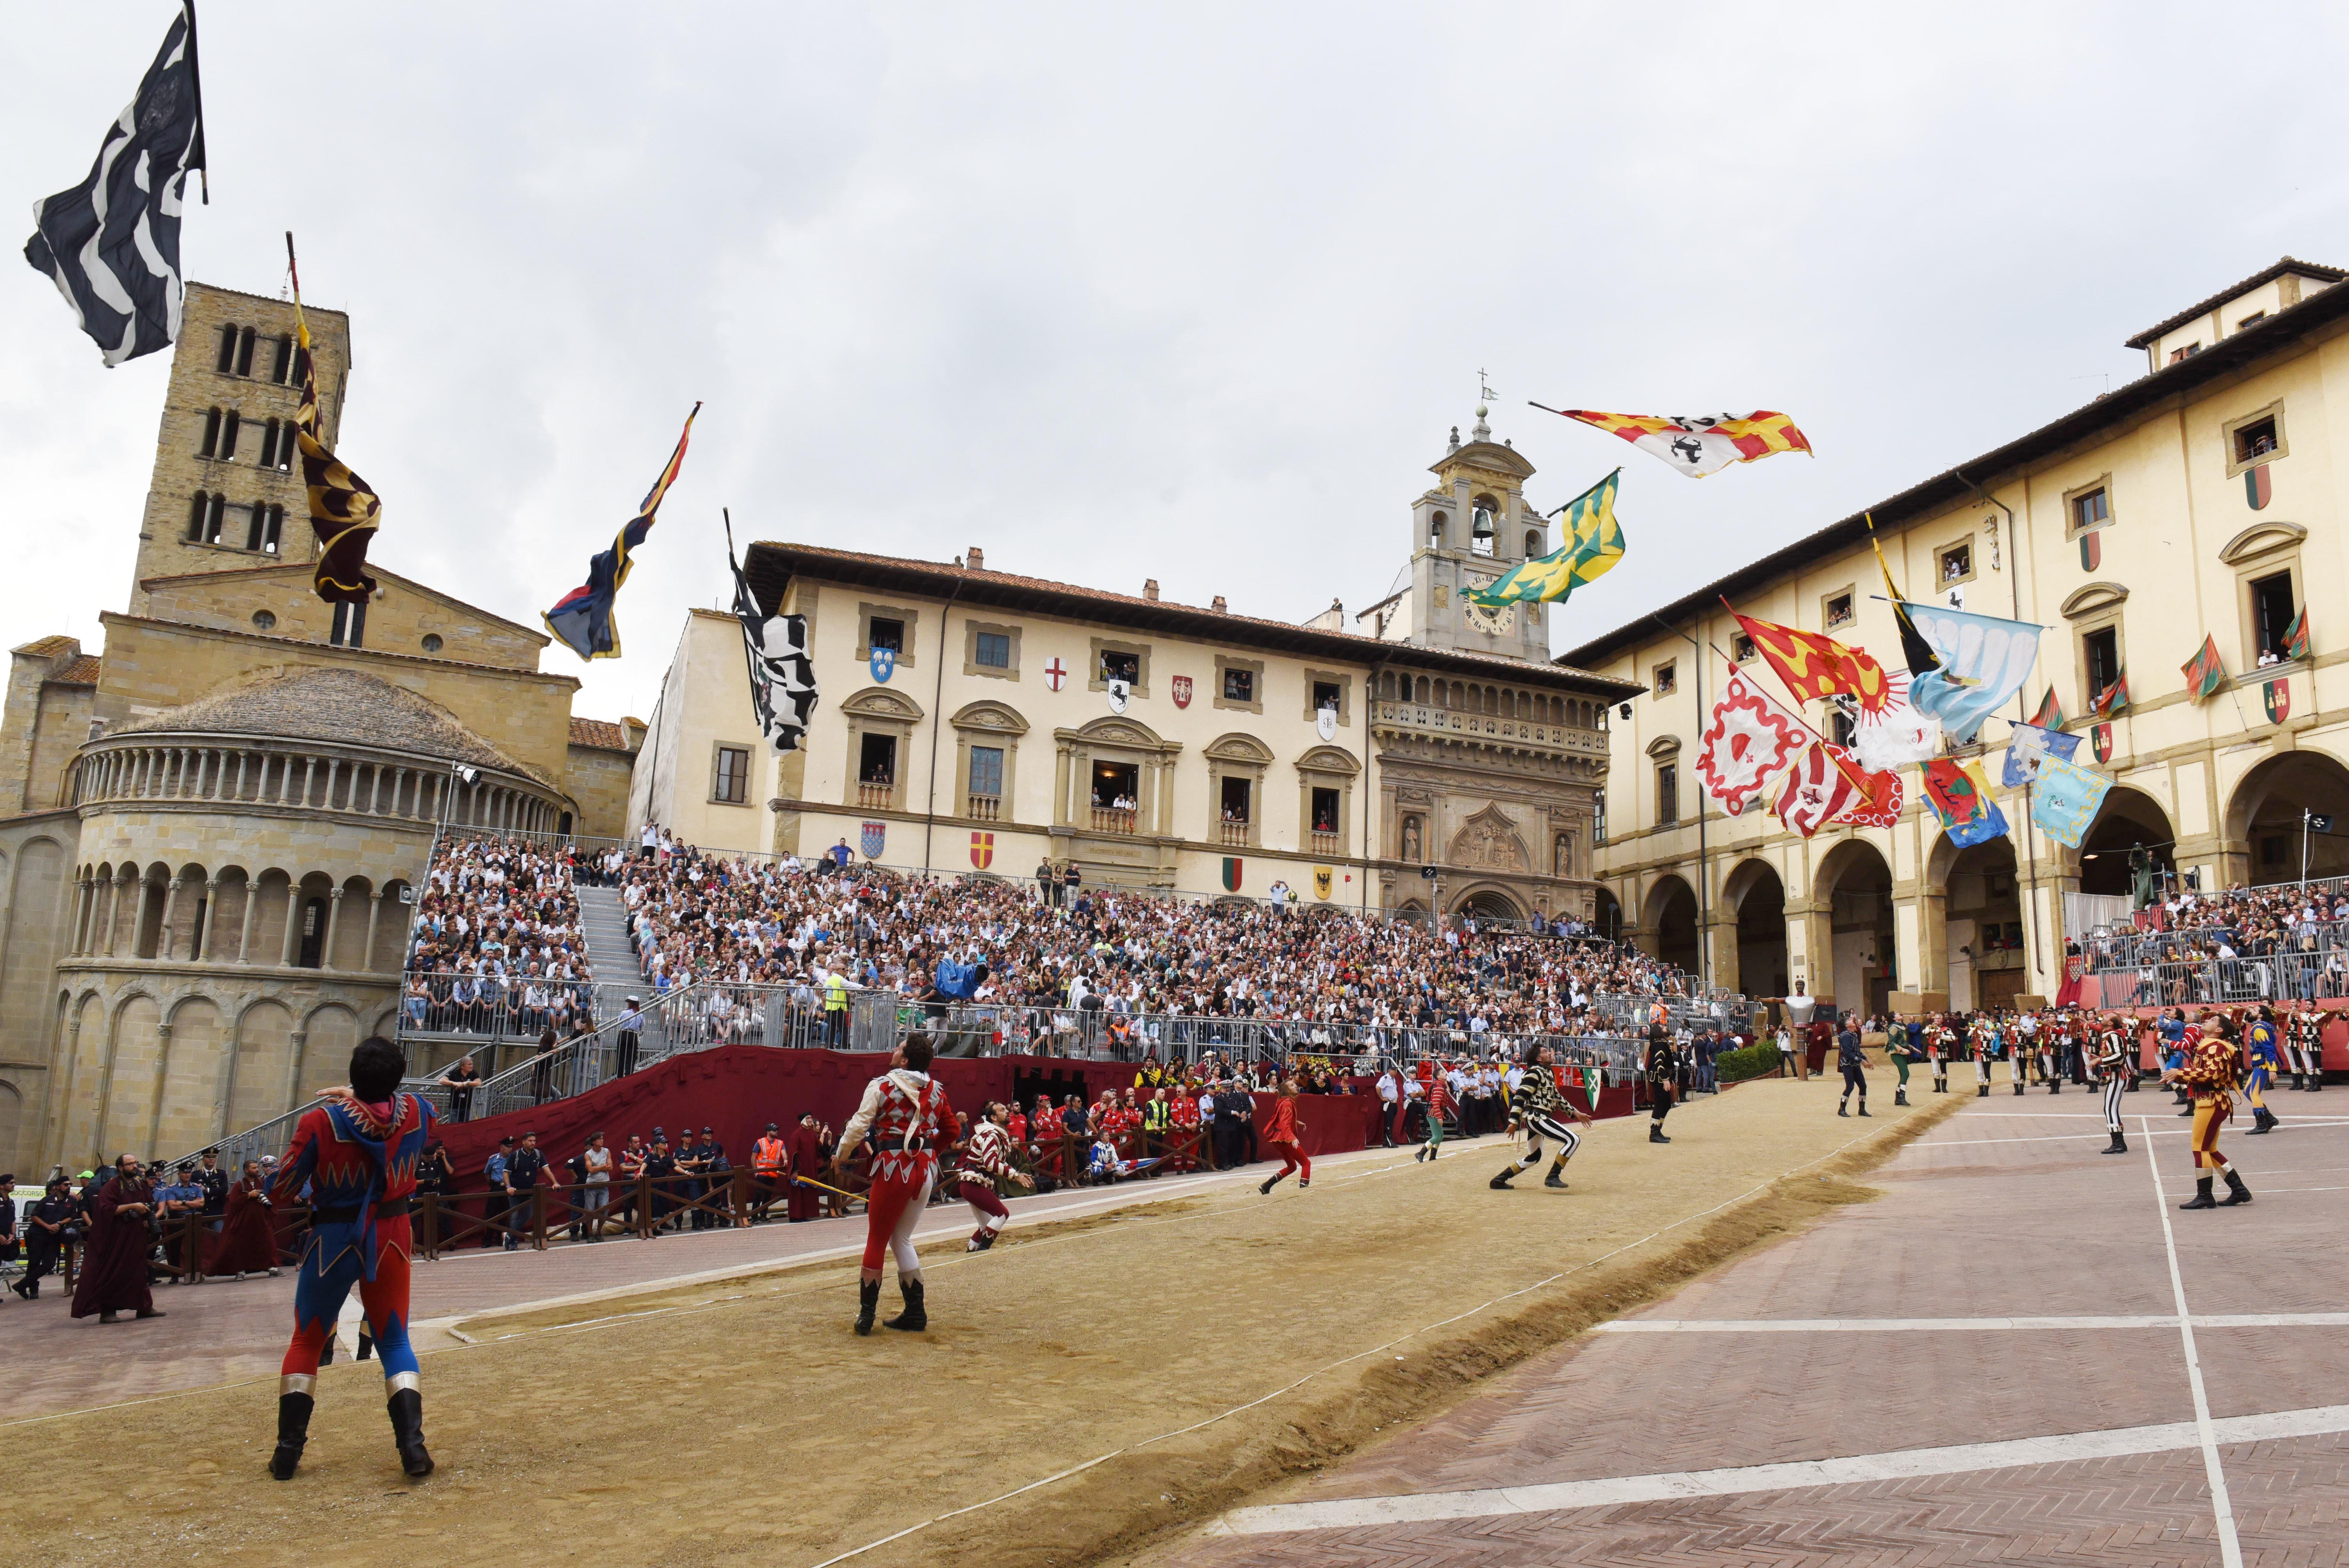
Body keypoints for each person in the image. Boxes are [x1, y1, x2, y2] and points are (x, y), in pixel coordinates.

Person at [267, 1035, 437, 1481]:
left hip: (333, 1237)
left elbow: (283, 1188)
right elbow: (392, 1113)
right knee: (396, 1341)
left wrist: (348, 1101)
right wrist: (362, 1099)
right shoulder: (418, 1110)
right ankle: (413, 1449)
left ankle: (288, 1452)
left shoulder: (320, 1121)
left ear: (353, 1075)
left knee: (307, 1339)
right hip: (393, 1234)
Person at [834, 1032, 958, 1334]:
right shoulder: (937, 1091)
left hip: (893, 1167)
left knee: (877, 1238)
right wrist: (930, 1153)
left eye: (898, 1047)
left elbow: (858, 1127)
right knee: (902, 1239)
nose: (893, 1050)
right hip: (925, 1170)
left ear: (904, 1059)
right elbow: (952, 1130)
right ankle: (916, 1314)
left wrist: (841, 1155)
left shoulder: (882, 1085)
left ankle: (866, 1318)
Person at [2165, 1011, 2253, 1210]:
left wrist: (2180, 1073)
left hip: (2211, 1102)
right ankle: (2239, 1190)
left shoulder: (2215, 1046)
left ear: (2219, 1030)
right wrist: (2179, 1076)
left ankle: (2205, 1196)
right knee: (2209, 1149)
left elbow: (2211, 1075)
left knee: (2200, 1148)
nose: (2206, 1021)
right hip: (2213, 1101)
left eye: (2213, 1020)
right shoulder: (2211, 1045)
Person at [70, 1154, 164, 1324]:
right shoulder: (112, 1187)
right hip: (117, 1239)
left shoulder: (139, 1184)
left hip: (136, 1238)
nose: (134, 1166)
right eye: (130, 1164)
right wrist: (132, 1206)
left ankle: (144, 1307)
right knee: (113, 1273)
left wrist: (146, 1219)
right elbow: (106, 1209)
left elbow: (149, 1204)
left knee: (138, 1273)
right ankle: (107, 1312)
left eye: (135, 1163)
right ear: (121, 1168)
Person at [1492, 1043, 1594, 1190]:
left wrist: (1575, 1113)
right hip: (1537, 1117)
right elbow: (1520, 1097)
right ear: (1539, 1058)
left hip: (1538, 1118)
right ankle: (1553, 1176)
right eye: (1546, 1052)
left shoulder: (1547, 1073)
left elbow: (1556, 1097)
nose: (1550, 1054)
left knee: (1534, 1157)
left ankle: (1499, 1180)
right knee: (1573, 1140)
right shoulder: (1534, 1073)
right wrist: (1513, 1121)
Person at [955, 1101, 1033, 1251]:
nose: (1007, 1112)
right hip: (974, 1183)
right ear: (994, 1118)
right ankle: (983, 1251)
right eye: (1002, 1110)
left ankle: (971, 1254)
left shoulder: (994, 1133)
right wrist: (1015, 1175)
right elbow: (991, 1162)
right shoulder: (992, 1135)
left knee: (985, 1226)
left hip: (973, 1183)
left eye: (1006, 1109)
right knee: (1002, 1214)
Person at [206, 1160, 281, 1279]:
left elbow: (271, 1196)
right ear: (247, 1170)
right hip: (245, 1222)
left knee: (268, 1243)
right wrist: (248, 1196)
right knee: (241, 1246)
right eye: (254, 1168)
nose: (257, 1170)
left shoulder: (262, 1182)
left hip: (261, 1220)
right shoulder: (239, 1185)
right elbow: (233, 1202)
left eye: (257, 1168)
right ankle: (240, 1271)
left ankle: (273, 1268)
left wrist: (263, 1199)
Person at [15, 1174, 75, 1299]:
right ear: (58, 1187)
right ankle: (33, 1290)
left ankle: (22, 1284)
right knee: (34, 1262)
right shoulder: (47, 1200)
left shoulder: (71, 1201)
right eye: (66, 1185)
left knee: (49, 1263)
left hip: (54, 1237)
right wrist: (48, 1226)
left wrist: (59, 1224)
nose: (69, 1187)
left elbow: (72, 1216)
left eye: (70, 1185)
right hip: (38, 1234)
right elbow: (34, 1216)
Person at [1258, 1076, 1310, 1195]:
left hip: (1278, 1139)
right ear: (1286, 1091)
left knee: (1292, 1167)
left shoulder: (1284, 1101)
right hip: (1284, 1139)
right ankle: (1304, 1192)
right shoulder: (1287, 1103)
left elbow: (1282, 1119)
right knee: (1306, 1163)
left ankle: (1266, 1186)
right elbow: (1284, 1124)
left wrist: (1296, 1121)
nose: (1296, 1086)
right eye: (1292, 1085)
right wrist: (1292, 1138)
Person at [2093, 1014, 2133, 1155]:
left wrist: (2100, 1060)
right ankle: (2119, 1142)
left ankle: (2118, 1143)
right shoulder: (2109, 1035)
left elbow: (2119, 1056)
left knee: (2110, 1109)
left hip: (2118, 1075)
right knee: (2110, 1109)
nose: (2102, 1018)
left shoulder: (2113, 1036)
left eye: (2106, 1018)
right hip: (2114, 1076)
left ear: (2111, 1023)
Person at [2242, 1005, 2285, 1135]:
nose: (2251, 1012)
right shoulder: (2261, 1027)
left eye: (2255, 1010)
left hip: (2263, 1064)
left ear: (2261, 1016)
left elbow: (2269, 1049)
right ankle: (2269, 1118)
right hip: (2259, 1062)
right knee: (2247, 1091)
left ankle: (2262, 1124)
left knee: (2254, 1093)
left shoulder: (2258, 1029)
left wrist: (2273, 1069)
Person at [1645, 1016, 1678, 1145]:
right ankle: (1654, 1133)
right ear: (1659, 1032)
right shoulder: (1659, 1044)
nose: (1666, 1027)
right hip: (1659, 1078)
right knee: (1660, 1104)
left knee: (1667, 1104)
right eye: (1664, 1027)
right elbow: (1659, 1063)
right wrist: (1665, 1079)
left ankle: (1658, 1130)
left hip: (1662, 1078)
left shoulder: (1662, 1043)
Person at [786, 1113, 825, 1222]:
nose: (810, 1120)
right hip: (800, 1169)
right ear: (803, 1120)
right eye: (808, 1118)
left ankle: (804, 1215)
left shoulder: (812, 1134)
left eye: (811, 1118)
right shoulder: (796, 1135)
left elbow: (820, 1148)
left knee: (807, 1193)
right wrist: (794, 1171)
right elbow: (793, 1154)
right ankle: (795, 1216)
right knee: (798, 1194)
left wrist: (830, 1156)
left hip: (810, 1168)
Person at [751, 1122, 788, 1222]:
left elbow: (784, 1153)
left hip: (772, 1174)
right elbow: (753, 1157)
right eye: (774, 1130)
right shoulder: (760, 1142)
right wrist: (756, 1172)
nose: (776, 1132)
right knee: (758, 1195)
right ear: (768, 1132)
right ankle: (754, 1217)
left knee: (768, 1196)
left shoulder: (780, 1143)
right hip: (762, 1174)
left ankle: (763, 1216)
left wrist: (785, 1159)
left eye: (777, 1130)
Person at [580, 1132, 614, 1240]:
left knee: (604, 1209)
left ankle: (599, 1232)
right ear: (594, 1142)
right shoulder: (588, 1154)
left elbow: (610, 1167)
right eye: (599, 1139)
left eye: (602, 1139)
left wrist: (598, 1167)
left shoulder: (607, 1151)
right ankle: (590, 1234)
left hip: (604, 1184)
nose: (602, 1141)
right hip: (592, 1184)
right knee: (590, 1211)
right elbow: (590, 1170)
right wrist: (603, 1166)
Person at [1835, 1014, 1869, 1117]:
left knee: (1863, 1086)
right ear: (1847, 1026)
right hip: (1847, 1064)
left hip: (1855, 1064)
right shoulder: (1845, 1036)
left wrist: (1866, 1059)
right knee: (1850, 1086)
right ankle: (1842, 1109)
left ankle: (1862, 1109)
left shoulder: (1853, 1035)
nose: (1852, 1021)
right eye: (1850, 1020)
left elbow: (1857, 1051)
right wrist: (1862, 1061)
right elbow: (1849, 1053)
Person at [437, 1054, 481, 1123]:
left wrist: (466, 1083)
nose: (471, 1066)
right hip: (454, 1106)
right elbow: (442, 1080)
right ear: (462, 1066)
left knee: (466, 1127)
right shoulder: (455, 1073)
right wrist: (454, 1083)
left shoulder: (474, 1073)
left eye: (472, 1064)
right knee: (453, 1126)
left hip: (468, 1106)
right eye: (469, 1065)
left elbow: (479, 1083)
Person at [615, 998, 644, 1077]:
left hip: (624, 1034)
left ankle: (619, 1077)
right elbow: (641, 1026)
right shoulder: (640, 1014)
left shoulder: (624, 1012)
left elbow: (619, 1022)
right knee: (631, 1058)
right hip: (633, 1035)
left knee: (620, 1057)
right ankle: (628, 1076)